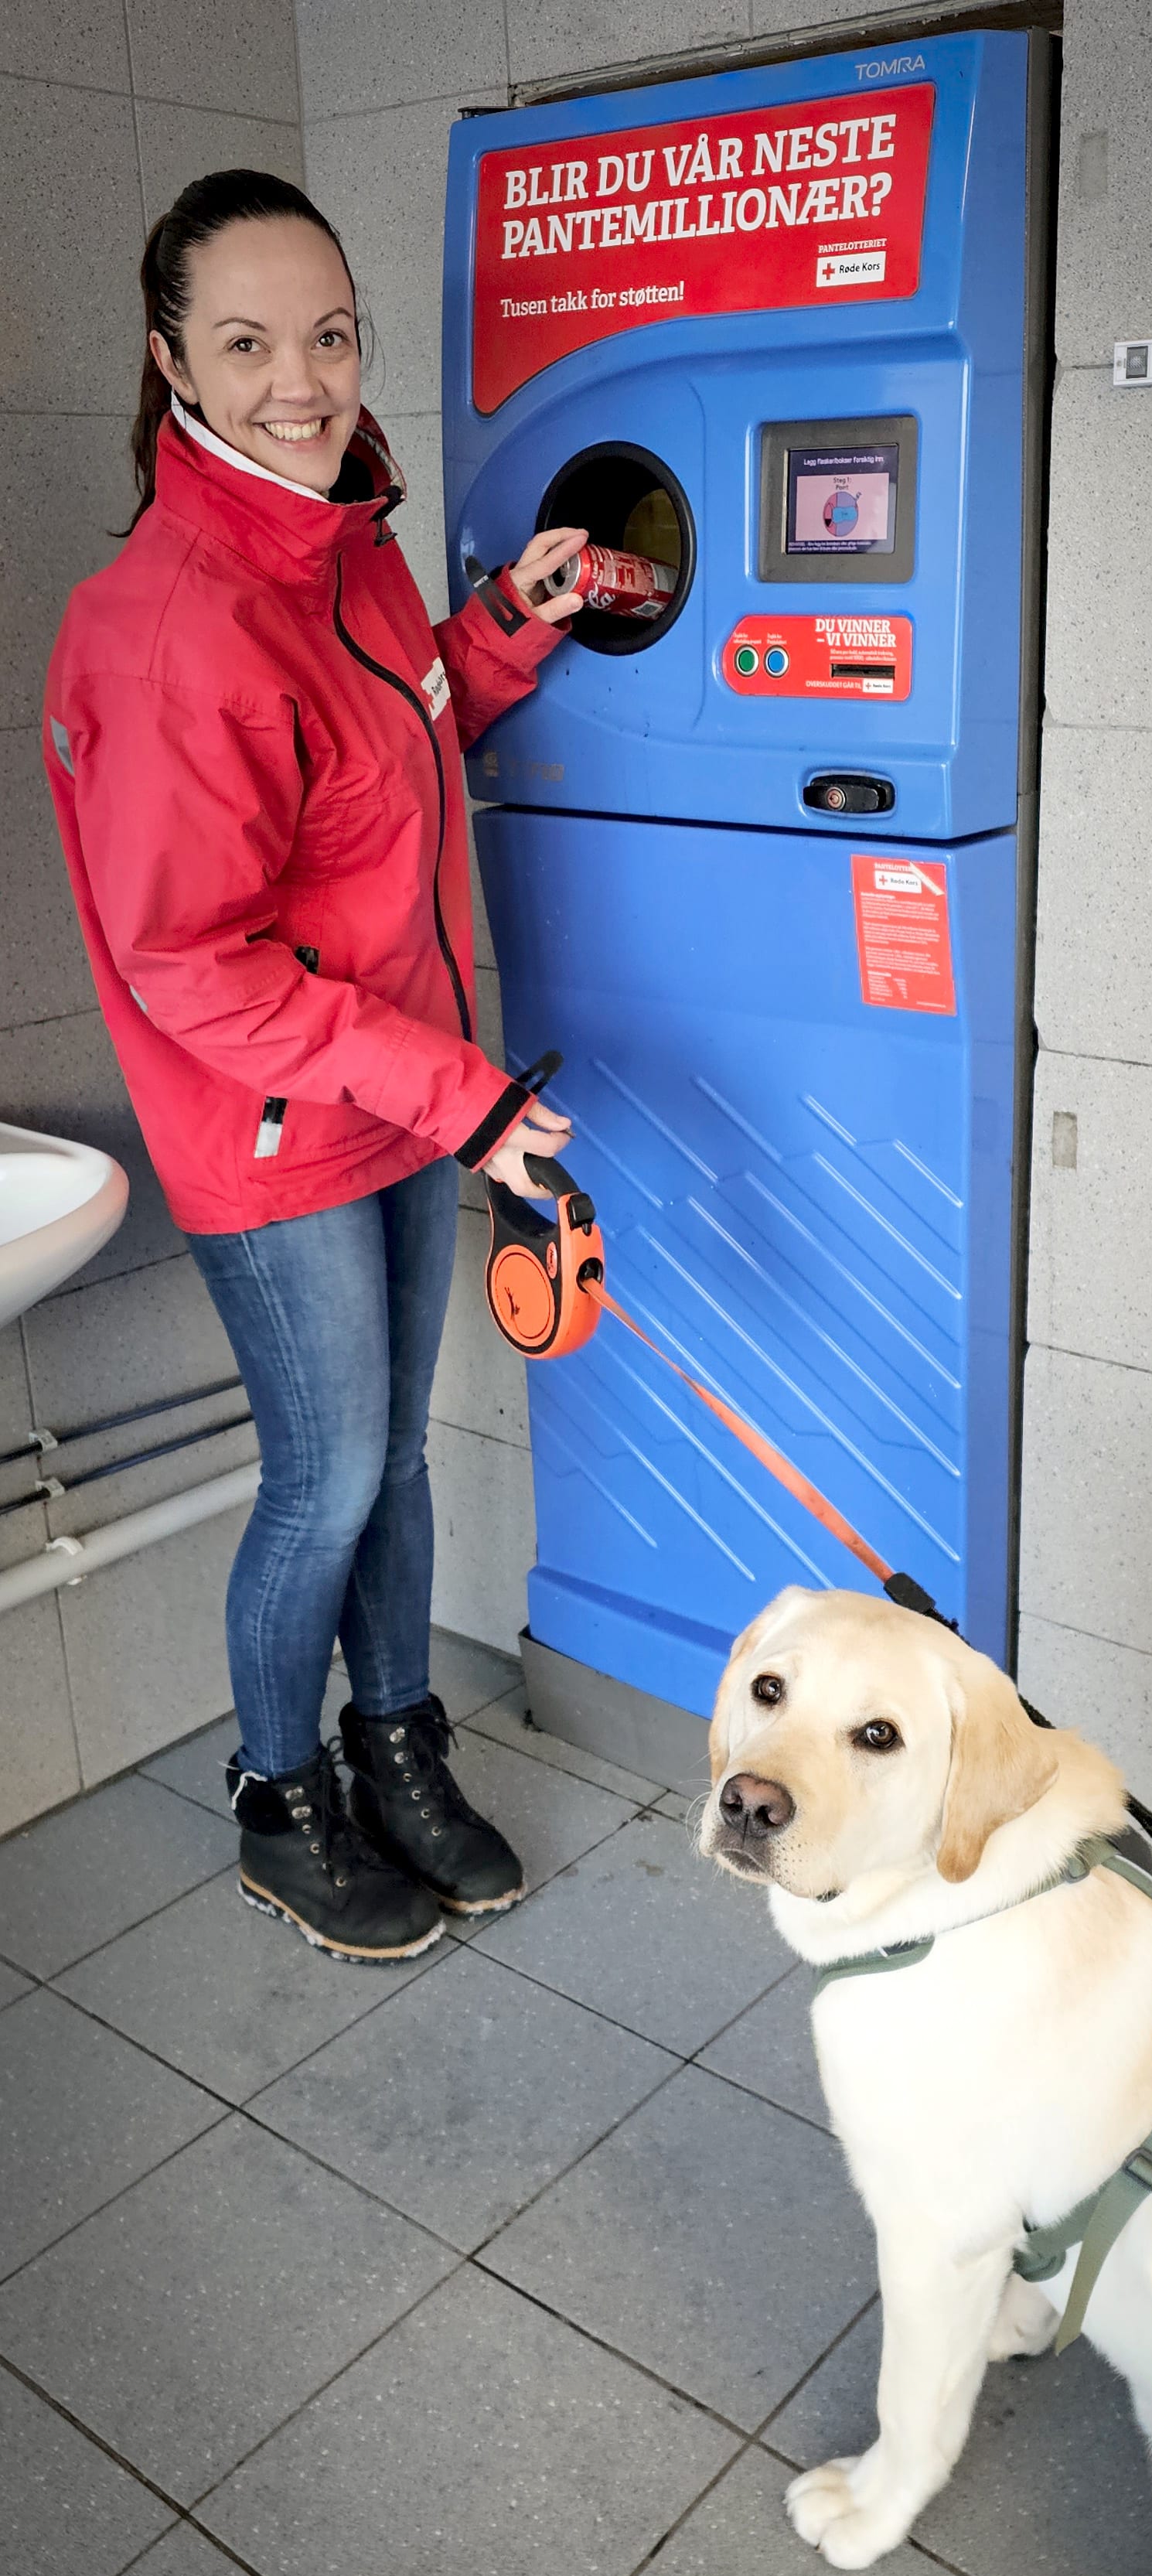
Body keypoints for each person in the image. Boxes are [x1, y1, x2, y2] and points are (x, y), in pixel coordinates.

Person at [44, 169, 587, 1965]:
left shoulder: (338, 544)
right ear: (170, 360)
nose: (304, 381)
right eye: (249, 344)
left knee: (394, 1460)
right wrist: (459, 1096)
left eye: (331, 336)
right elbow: (185, 963)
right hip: (274, 1125)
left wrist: (498, 631)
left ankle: (395, 1746)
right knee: (327, 1474)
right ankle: (281, 1798)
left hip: (400, 1088)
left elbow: (382, 747)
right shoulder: (167, 621)